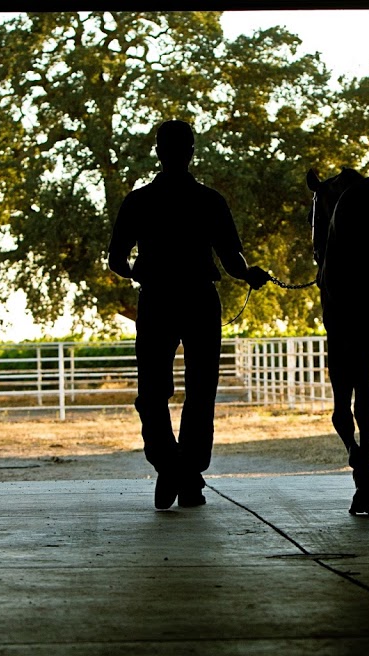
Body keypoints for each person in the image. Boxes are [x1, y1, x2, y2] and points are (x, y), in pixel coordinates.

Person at [107, 120, 270, 510]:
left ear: (158, 152)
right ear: (191, 151)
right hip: (200, 300)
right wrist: (251, 274)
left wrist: (139, 273)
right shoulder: (210, 201)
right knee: (201, 390)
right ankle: (188, 474)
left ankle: (169, 469)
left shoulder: (139, 201)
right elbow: (232, 260)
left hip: (157, 300)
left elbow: (116, 259)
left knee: (152, 392)